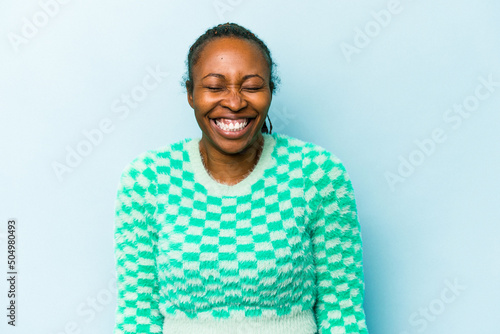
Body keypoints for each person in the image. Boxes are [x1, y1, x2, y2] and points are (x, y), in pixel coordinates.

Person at [113, 22, 369, 334]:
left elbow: (343, 314)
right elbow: (136, 317)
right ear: (191, 94)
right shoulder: (149, 179)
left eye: (251, 86)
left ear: (270, 92)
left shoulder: (315, 174)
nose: (234, 102)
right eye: (215, 87)